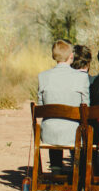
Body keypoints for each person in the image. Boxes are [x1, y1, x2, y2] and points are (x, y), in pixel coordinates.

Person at [37, 40, 90, 171]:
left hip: (49, 133)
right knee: (80, 128)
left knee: (54, 124)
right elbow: (86, 107)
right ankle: (79, 173)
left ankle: (56, 171)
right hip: (74, 133)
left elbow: (40, 105)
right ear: (71, 55)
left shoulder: (43, 76)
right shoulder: (81, 78)